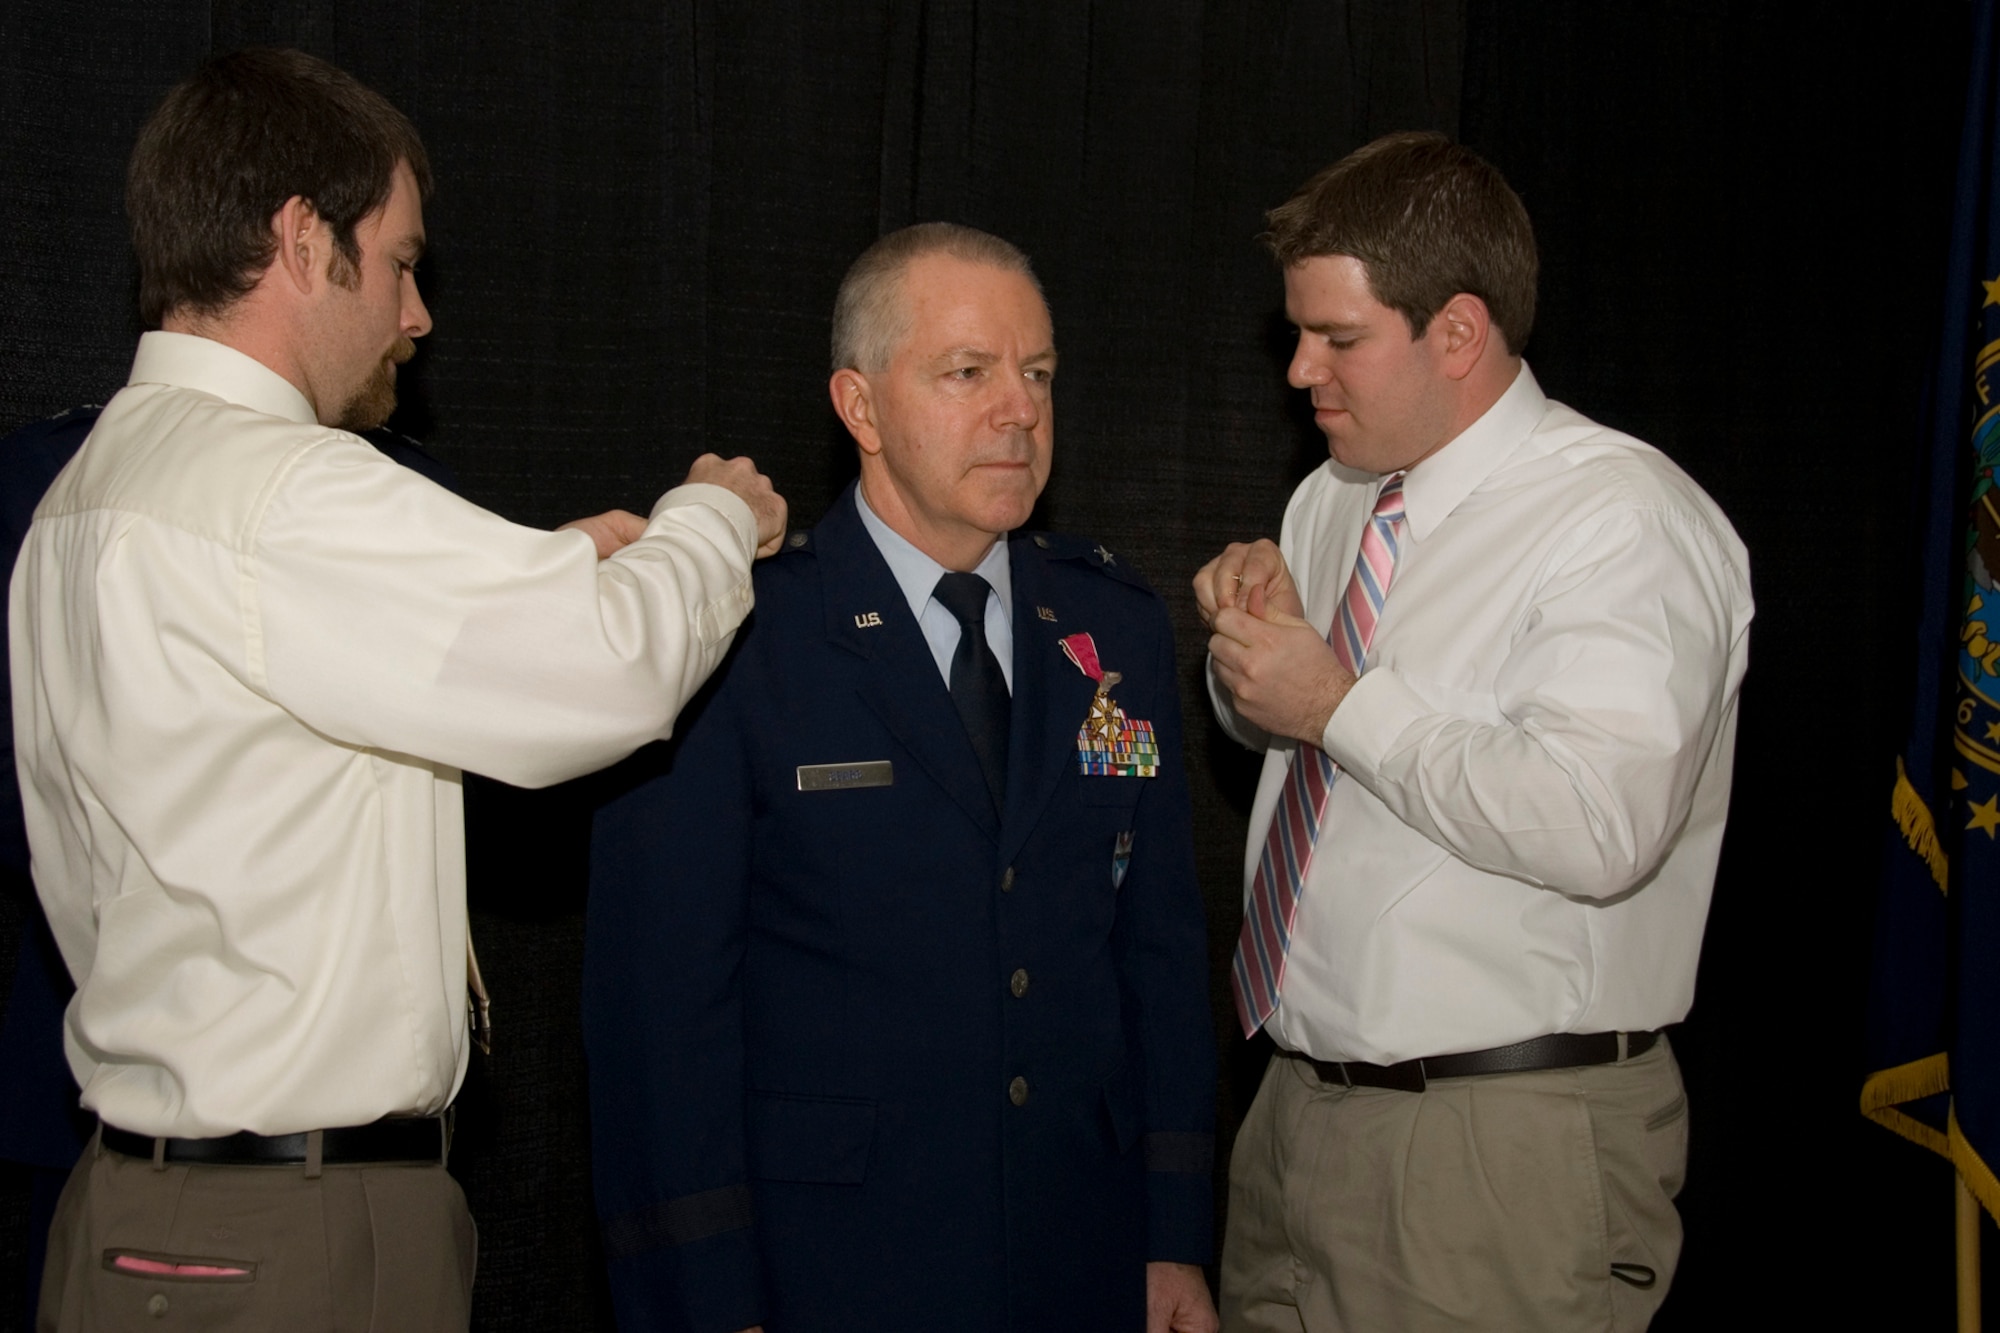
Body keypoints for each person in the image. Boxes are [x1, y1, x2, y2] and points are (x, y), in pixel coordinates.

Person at [17, 48, 785, 1331]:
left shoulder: (82, 496)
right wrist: (707, 518)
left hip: (142, 1212)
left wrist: (562, 568)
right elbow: (611, 674)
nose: (417, 313)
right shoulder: (287, 491)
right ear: (303, 239)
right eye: (400, 260)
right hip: (283, 1234)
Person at [584, 223, 1218, 1333]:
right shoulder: (738, 638)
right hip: (833, 1265)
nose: (1017, 410)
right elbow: (661, 1011)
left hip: (1083, 1252)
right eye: (966, 373)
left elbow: (1156, 952)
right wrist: (703, 1296)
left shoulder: (1109, 630)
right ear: (860, 407)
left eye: (1036, 374)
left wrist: (1173, 1236)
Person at [1196, 132, 1752, 1331]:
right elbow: (1292, 754)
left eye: (1336, 338)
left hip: (1499, 1146)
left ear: (1456, 331)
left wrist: (1339, 701)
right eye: (1298, 331)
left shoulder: (1618, 518)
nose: (1298, 370)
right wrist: (1250, 667)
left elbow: (1598, 822)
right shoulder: (1333, 493)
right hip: (1295, 1111)